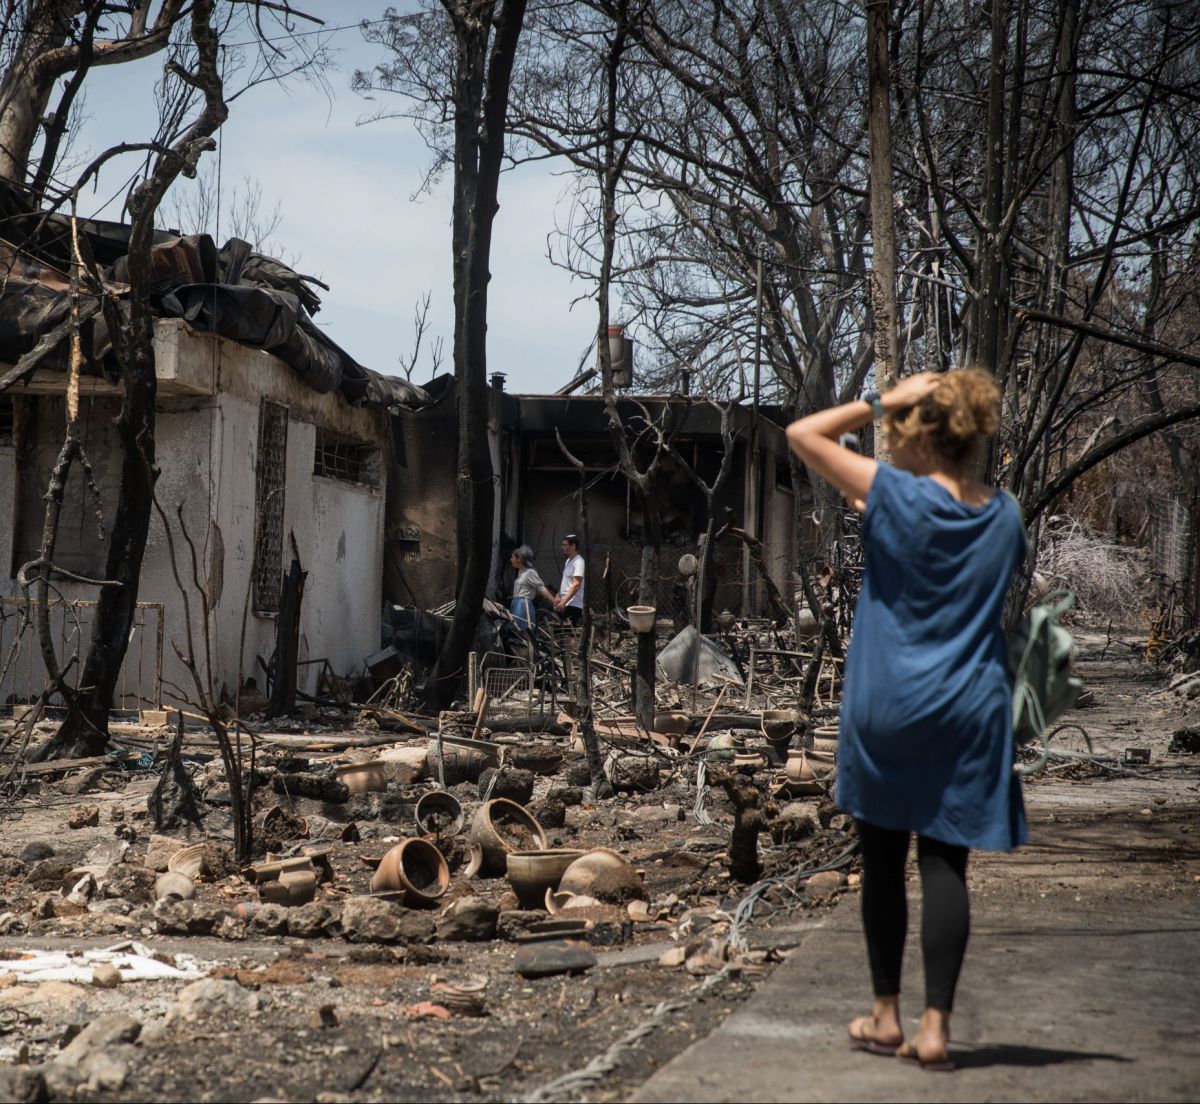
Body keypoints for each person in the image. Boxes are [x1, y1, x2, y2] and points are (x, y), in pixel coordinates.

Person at [786, 369, 1027, 1072]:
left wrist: (878, 400)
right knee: (946, 861)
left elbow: (802, 434)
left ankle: (885, 1016)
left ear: (919, 433)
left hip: (887, 706)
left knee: (885, 863)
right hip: (971, 710)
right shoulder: (1004, 514)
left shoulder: (891, 496)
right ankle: (936, 1031)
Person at [509, 545, 556, 632]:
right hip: (516, 603)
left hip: (523, 605)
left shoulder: (530, 572)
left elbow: (541, 588)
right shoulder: (521, 572)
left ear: (519, 559)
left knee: (525, 631)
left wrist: (554, 601)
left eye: (512, 558)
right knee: (516, 631)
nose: (511, 560)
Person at [553, 534, 585, 626]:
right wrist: (558, 595)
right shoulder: (568, 561)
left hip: (573, 604)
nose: (562, 547)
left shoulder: (579, 562)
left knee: (571, 635)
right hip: (565, 603)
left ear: (573, 546)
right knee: (561, 634)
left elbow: (576, 584)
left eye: (565, 545)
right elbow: (566, 582)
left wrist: (564, 601)